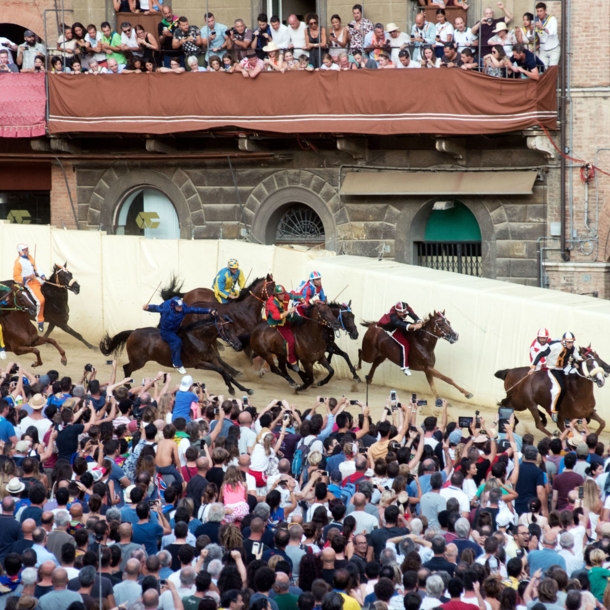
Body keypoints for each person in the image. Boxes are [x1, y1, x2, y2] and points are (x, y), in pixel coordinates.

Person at [143, 296, 216, 374]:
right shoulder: (166, 308)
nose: (181, 308)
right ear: (173, 306)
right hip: (166, 331)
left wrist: (209, 310)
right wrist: (148, 307)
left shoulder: (183, 307)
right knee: (176, 341)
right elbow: (156, 308)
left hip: (177, 329)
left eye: (181, 306)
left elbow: (194, 309)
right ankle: (177, 363)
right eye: (178, 307)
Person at [529, 331, 583, 419]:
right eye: (569, 342)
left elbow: (579, 358)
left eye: (572, 342)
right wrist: (533, 366)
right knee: (559, 388)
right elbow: (540, 354)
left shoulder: (573, 348)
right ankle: (554, 410)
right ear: (563, 341)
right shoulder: (554, 346)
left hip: (565, 369)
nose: (571, 344)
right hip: (554, 370)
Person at [376, 302, 423, 375]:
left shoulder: (407, 308)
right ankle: (405, 367)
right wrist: (414, 326)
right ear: (396, 310)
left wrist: (418, 321)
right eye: (399, 312)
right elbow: (399, 324)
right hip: (391, 328)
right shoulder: (392, 315)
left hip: (400, 323)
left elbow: (413, 315)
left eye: (403, 312)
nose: (402, 314)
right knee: (405, 345)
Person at [265, 285, 299, 372]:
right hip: (277, 322)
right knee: (290, 340)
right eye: (280, 294)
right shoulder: (271, 302)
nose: (283, 296)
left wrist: (302, 299)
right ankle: (292, 360)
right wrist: (289, 311)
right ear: (276, 294)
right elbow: (277, 317)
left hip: (286, 316)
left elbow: (292, 295)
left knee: (300, 320)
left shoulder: (285, 295)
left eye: (283, 293)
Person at [13, 243, 46, 332]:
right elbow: (16, 277)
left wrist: (42, 275)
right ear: (20, 252)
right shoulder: (18, 263)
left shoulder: (30, 257)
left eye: (27, 249)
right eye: (25, 250)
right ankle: (40, 320)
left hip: (37, 280)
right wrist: (28, 277)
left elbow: (36, 267)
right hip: (30, 283)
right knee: (41, 300)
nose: (27, 251)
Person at [534, 2, 559, 67]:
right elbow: (532, 37)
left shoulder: (552, 19)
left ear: (545, 11)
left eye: (541, 11)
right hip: (543, 49)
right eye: (538, 11)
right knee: (542, 70)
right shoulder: (536, 21)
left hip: (553, 48)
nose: (539, 13)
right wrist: (531, 30)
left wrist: (542, 28)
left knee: (551, 71)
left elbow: (553, 32)